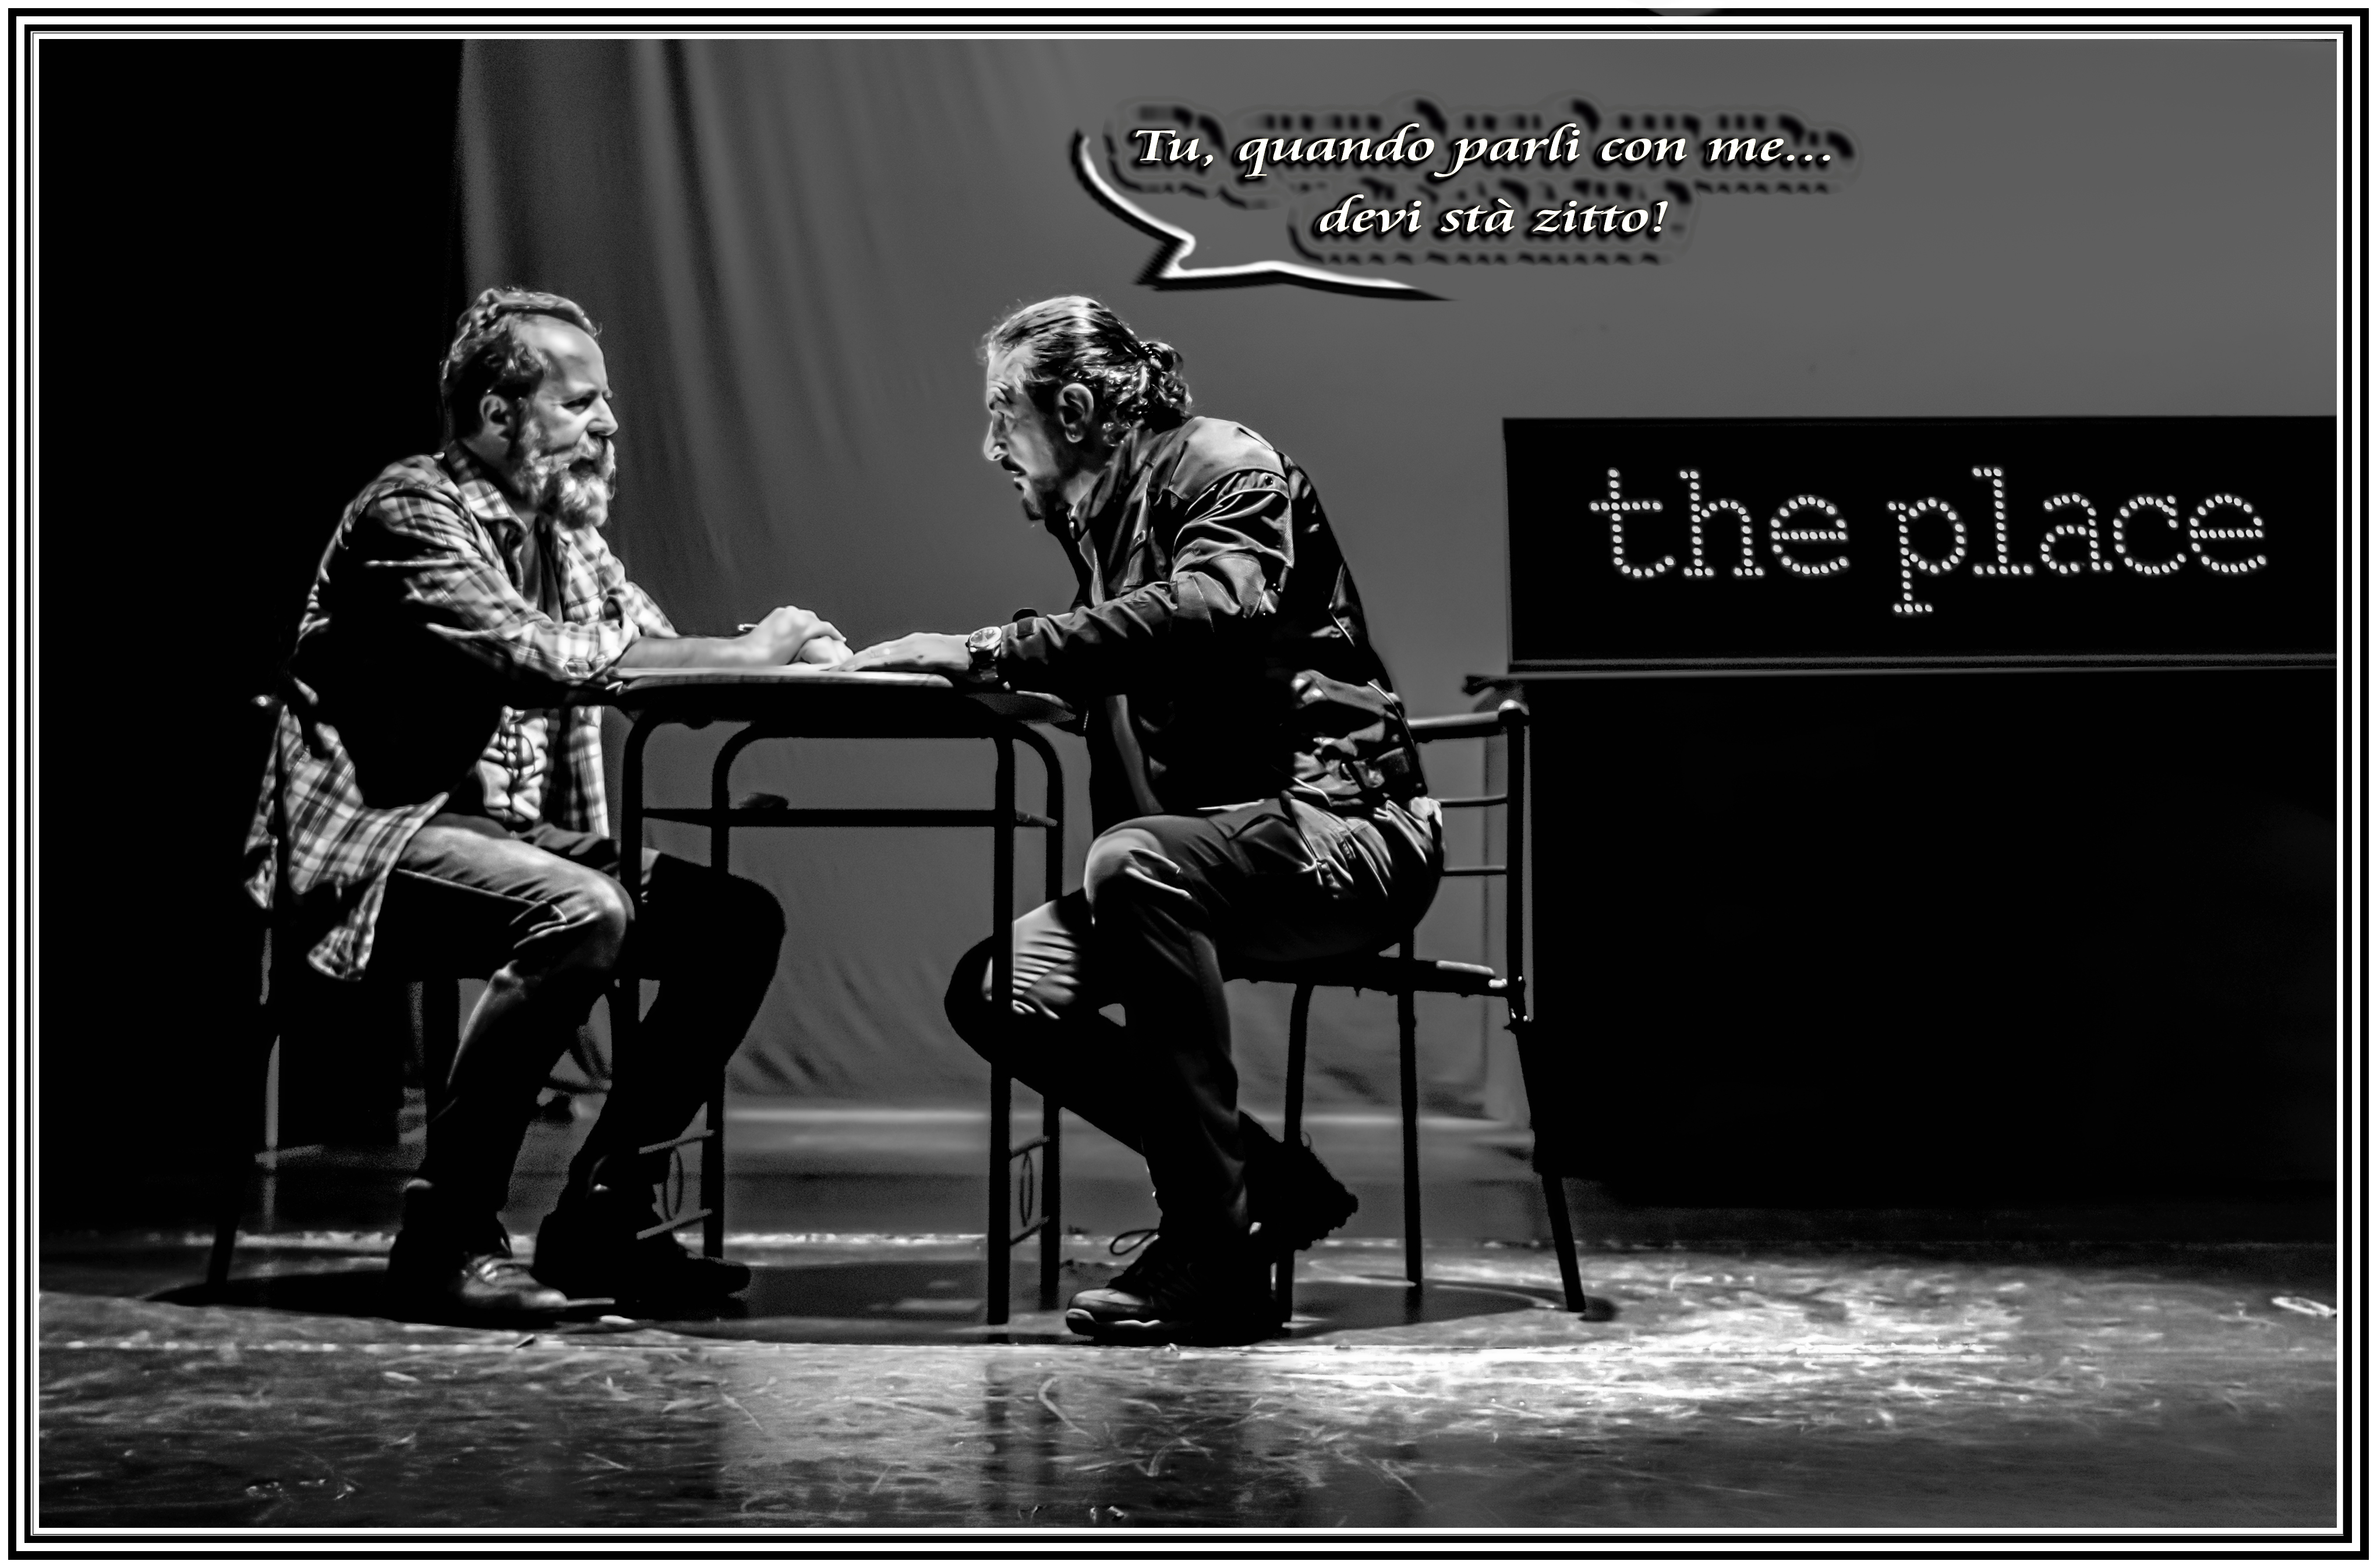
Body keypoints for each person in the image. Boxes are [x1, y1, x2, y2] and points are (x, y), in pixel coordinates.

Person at [840, 296, 1442, 1340]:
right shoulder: (1105, 522)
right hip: (1216, 853)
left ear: (1073, 408)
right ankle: (1266, 1188)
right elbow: (1132, 658)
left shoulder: (1221, 463)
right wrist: (977, 674)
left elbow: (1214, 608)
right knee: (1003, 989)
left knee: (1134, 863)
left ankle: (1211, 1251)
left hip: (1346, 837)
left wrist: (988, 649)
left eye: (1002, 416)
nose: (990, 448)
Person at [243, 287, 848, 1317]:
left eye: (604, 401)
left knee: (733, 922)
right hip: (378, 843)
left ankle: (603, 1217)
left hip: (504, 838)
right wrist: (747, 654)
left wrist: (800, 649)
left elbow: (659, 656)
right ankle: (443, 1234)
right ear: (496, 413)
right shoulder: (410, 509)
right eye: (579, 403)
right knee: (579, 911)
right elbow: (528, 653)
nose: (609, 424)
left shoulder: (564, 537)